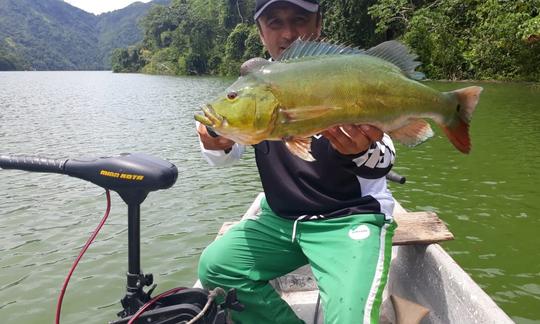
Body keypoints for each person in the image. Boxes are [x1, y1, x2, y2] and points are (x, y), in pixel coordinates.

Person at [196, 0, 396, 323]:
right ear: (261, 33)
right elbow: (224, 154)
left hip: (348, 218)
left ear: (318, 25)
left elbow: (386, 156)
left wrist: (360, 149)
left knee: (349, 318)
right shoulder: (255, 88)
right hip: (283, 222)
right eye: (275, 23)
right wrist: (214, 137)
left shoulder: (348, 76)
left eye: (299, 20)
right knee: (216, 267)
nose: (288, 33)